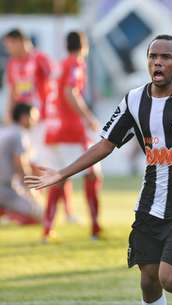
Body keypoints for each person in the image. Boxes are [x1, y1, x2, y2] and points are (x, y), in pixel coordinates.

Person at [25, 34, 172, 305]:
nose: (158, 63)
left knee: (170, 280)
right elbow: (105, 145)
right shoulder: (134, 100)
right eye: (153, 57)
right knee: (149, 280)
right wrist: (62, 173)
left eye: (166, 57)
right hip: (150, 202)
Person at [3, 28, 76, 223]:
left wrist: (57, 113)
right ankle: (34, 206)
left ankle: (67, 211)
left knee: (51, 166)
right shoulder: (12, 64)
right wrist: (8, 116)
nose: (8, 49)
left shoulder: (41, 59)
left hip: (43, 122)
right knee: (28, 166)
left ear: (19, 41)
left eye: (9, 44)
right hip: (23, 125)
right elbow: (12, 91)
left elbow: (57, 84)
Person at [43, 31, 101, 241]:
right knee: (93, 174)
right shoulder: (76, 63)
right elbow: (70, 92)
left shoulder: (61, 64)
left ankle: (47, 229)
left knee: (58, 178)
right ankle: (95, 228)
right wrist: (88, 117)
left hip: (53, 129)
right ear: (84, 46)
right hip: (70, 130)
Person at [0, 103, 42, 225]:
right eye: (33, 118)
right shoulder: (19, 134)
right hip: (6, 188)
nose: (35, 121)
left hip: (5, 186)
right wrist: (31, 191)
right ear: (24, 118)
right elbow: (21, 166)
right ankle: (7, 213)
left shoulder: (4, 130)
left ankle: (6, 211)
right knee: (39, 215)